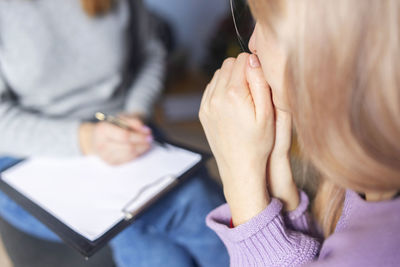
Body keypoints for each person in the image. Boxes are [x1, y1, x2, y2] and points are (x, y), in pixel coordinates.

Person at [0, 0, 228, 266]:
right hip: (28, 148)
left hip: (122, 126)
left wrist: (136, 112)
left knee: (178, 213)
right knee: (179, 205)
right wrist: (87, 139)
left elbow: (151, 54)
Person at [200, 0, 400, 266]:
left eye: (269, 24)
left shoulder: (379, 248)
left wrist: (240, 183)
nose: (252, 43)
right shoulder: (368, 172)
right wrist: (281, 186)